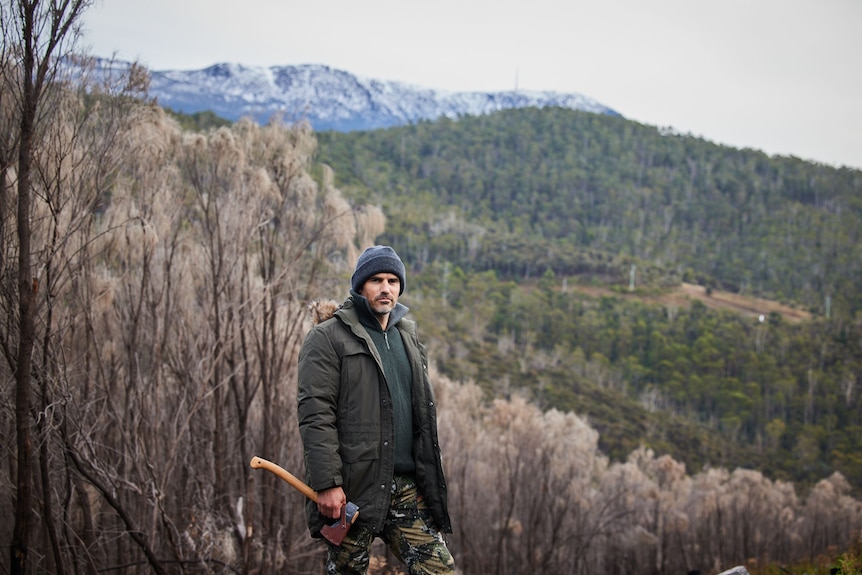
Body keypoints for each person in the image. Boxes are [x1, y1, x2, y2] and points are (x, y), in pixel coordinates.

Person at [297, 245, 455, 575]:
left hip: (406, 489)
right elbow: (316, 413)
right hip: (353, 493)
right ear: (359, 286)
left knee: (441, 571)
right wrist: (327, 483)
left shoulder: (408, 338)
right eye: (376, 280)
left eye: (393, 281)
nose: (386, 288)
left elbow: (421, 417)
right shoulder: (328, 338)